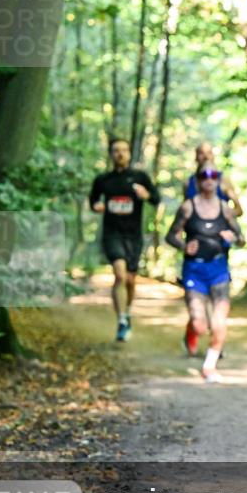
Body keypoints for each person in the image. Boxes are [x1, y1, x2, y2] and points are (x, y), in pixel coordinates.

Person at [166, 163, 246, 383]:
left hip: (218, 269)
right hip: (194, 270)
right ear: (198, 181)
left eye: (213, 175)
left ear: (218, 180)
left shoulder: (225, 208)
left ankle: (209, 366)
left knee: (219, 322)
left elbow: (242, 239)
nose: (209, 179)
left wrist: (233, 237)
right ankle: (191, 331)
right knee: (200, 324)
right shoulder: (188, 208)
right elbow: (170, 236)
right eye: (204, 175)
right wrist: (184, 246)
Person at [89, 137, 160, 342]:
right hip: (112, 234)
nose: (120, 154)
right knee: (119, 275)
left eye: (124, 150)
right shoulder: (103, 180)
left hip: (133, 235)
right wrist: (96, 206)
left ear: (129, 154)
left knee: (130, 280)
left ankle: (127, 312)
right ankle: (121, 320)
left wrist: (146, 195)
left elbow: (156, 199)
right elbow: (93, 200)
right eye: (116, 150)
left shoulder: (139, 177)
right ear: (111, 154)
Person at [183, 142, 244, 217]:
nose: (206, 157)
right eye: (201, 153)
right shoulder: (188, 183)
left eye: (209, 153)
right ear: (196, 157)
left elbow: (239, 210)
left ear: (213, 156)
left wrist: (220, 218)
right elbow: (184, 212)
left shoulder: (223, 180)